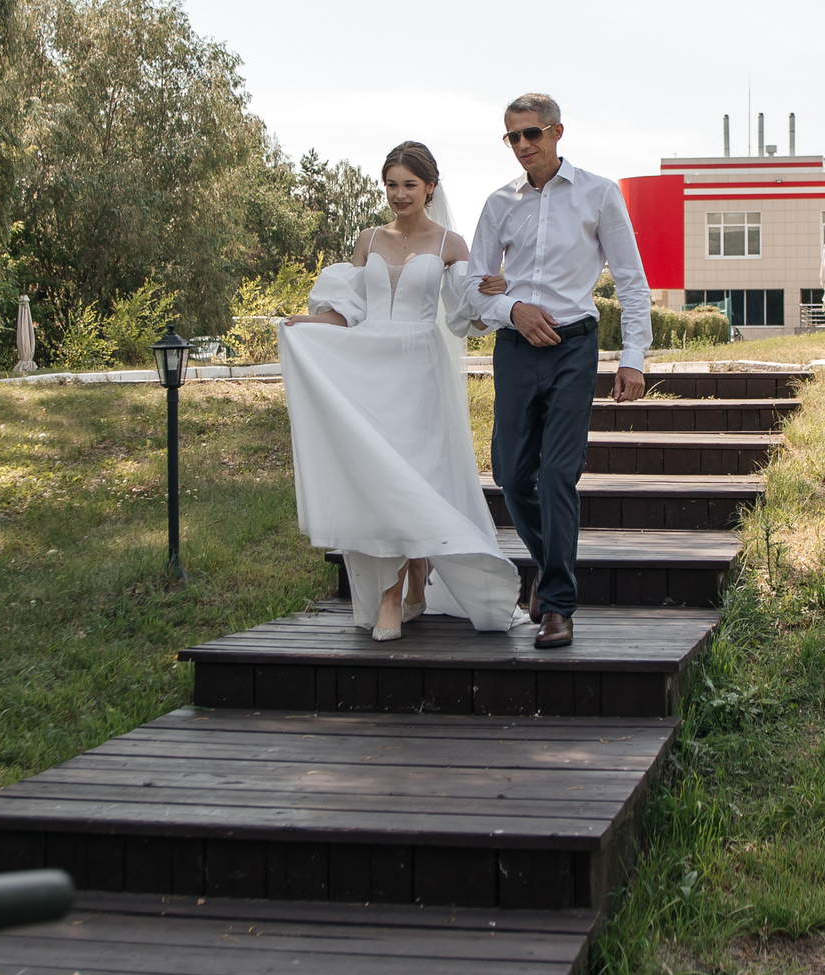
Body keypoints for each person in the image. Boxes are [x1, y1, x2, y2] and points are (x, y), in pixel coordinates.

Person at [276, 142, 523, 640]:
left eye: (410, 184)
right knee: (378, 475)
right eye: (392, 184)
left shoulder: (450, 245)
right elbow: (351, 308)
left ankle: (402, 589)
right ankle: (403, 582)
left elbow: (461, 313)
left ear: (431, 186)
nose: (399, 194)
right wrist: (309, 323)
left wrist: (491, 292)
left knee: (417, 474)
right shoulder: (367, 239)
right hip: (370, 368)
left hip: (418, 366)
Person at [466, 93, 651, 649]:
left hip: (575, 347)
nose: (523, 145)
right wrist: (513, 310)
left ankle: (558, 606)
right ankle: (550, 564)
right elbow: (475, 286)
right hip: (516, 348)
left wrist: (633, 359)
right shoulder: (499, 202)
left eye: (532, 134)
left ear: (557, 133)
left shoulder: (599, 194)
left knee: (557, 475)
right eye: (513, 137)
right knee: (510, 474)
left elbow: (631, 280)